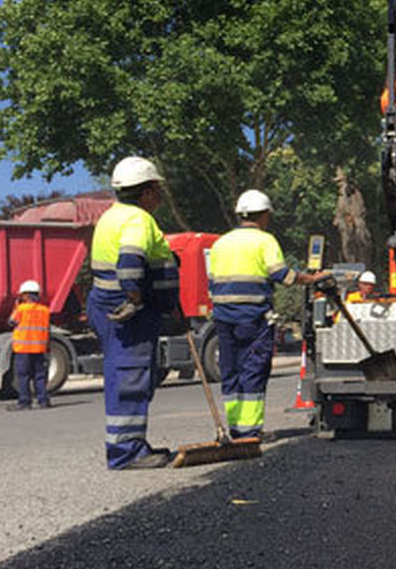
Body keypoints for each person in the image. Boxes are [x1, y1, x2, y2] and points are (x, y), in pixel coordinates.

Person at [208, 190, 328, 441]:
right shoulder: (264, 241)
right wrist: (313, 278)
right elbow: (283, 276)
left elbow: (212, 282)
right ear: (263, 215)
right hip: (252, 317)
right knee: (253, 369)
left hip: (223, 318)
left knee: (231, 372)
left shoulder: (220, 243)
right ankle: (250, 430)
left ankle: (236, 427)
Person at [88, 156, 180, 469]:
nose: (160, 195)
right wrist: (135, 298)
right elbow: (129, 263)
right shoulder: (138, 221)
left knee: (128, 374)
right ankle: (126, 452)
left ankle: (131, 444)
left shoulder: (110, 216)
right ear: (146, 192)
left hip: (107, 305)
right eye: (157, 189)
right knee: (130, 376)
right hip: (128, 312)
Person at [6, 280, 51, 411]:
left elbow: (11, 322)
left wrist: (16, 306)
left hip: (23, 349)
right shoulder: (44, 310)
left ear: (26, 295)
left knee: (23, 376)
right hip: (39, 348)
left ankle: (25, 402)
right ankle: (43, 401)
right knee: (39, 375)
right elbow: (47, 330)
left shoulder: (21, 309)